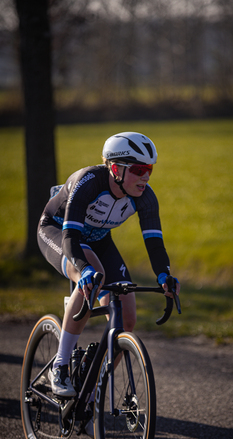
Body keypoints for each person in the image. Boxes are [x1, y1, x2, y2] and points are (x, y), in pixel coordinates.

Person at [37, 131, 180, 398]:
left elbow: (155, 243)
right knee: (93, 276)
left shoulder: (145, 197)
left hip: (100, 240)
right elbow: (70, 237)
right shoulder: (88, 182)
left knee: (127, 318)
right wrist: (84, 269)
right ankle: (61, 366)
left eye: (149, 169)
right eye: (138, 169)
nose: (146, 177)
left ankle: (92, 386)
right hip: (59, 233)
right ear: (115, 168)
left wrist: (164, 275)